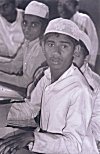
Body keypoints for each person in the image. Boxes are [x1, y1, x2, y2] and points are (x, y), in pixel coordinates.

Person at [1, 18, 97, 154]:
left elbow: (74, 145)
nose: (56, 53)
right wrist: (3, 113)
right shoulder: (47, 77)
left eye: (64, 46)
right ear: (43, 46)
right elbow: (30, 108)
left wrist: (33, 138)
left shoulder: (80, 90)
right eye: (51, 45)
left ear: (76, 50)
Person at [0, 1, 49, 89]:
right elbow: (14, 66)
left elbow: (27, 82)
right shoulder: (28, 41)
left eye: (33, 25)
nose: (27, 29)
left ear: (44, 26)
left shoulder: (42, 47)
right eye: (25, 23)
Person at [73, 31, 100, 149]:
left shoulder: (92, 83)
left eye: (76, 56)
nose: (70, 60)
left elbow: (97, 120)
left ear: (86, 58)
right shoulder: (59, 72)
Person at [57, 0, 99, 68]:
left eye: (68, 4)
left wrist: (91, 62)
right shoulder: (57, 23)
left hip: (82, 63)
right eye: (60, 5)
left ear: (76, 7)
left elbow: (93, 41)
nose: (63, 8)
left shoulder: (84, 19)